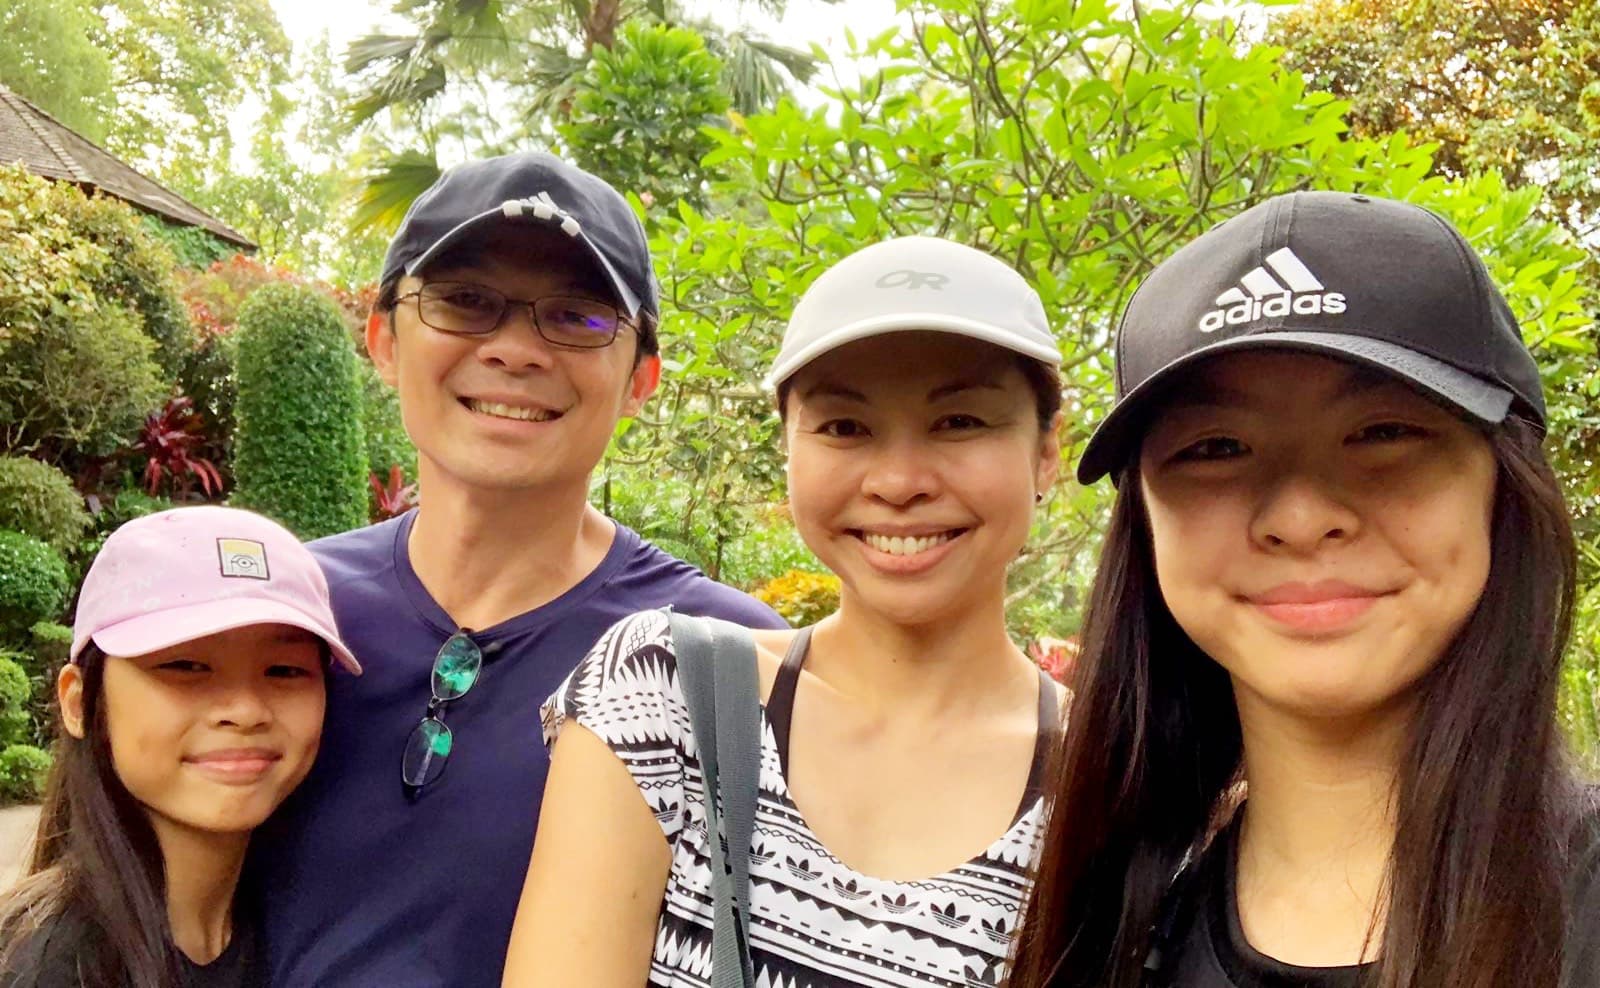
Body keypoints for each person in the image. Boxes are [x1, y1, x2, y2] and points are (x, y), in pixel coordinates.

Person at [1006, 191, 1600, 988]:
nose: (1300, 517)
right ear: (1143, 521)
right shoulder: (1106, 933)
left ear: (1504, 480)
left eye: (1384, 432)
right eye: (1216, 448)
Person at [250, 152, 785, 988]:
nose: (513, 350)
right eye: (466, 302)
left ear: (640, 379)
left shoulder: (721, 657)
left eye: (577, 316)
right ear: (383, 340)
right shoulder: (281, 613)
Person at [503, 236, 1069, 987]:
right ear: (789, 449)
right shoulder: (667, 696)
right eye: (845, 427)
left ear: (1047, 451)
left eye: (960, 421)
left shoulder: (1113, 780)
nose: (898, 481)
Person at [0, 506, 360, 988]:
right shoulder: (46, 968)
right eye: (186, 666)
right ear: (78, 702)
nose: (246, 710)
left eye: (284, 670)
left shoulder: (308, 936)